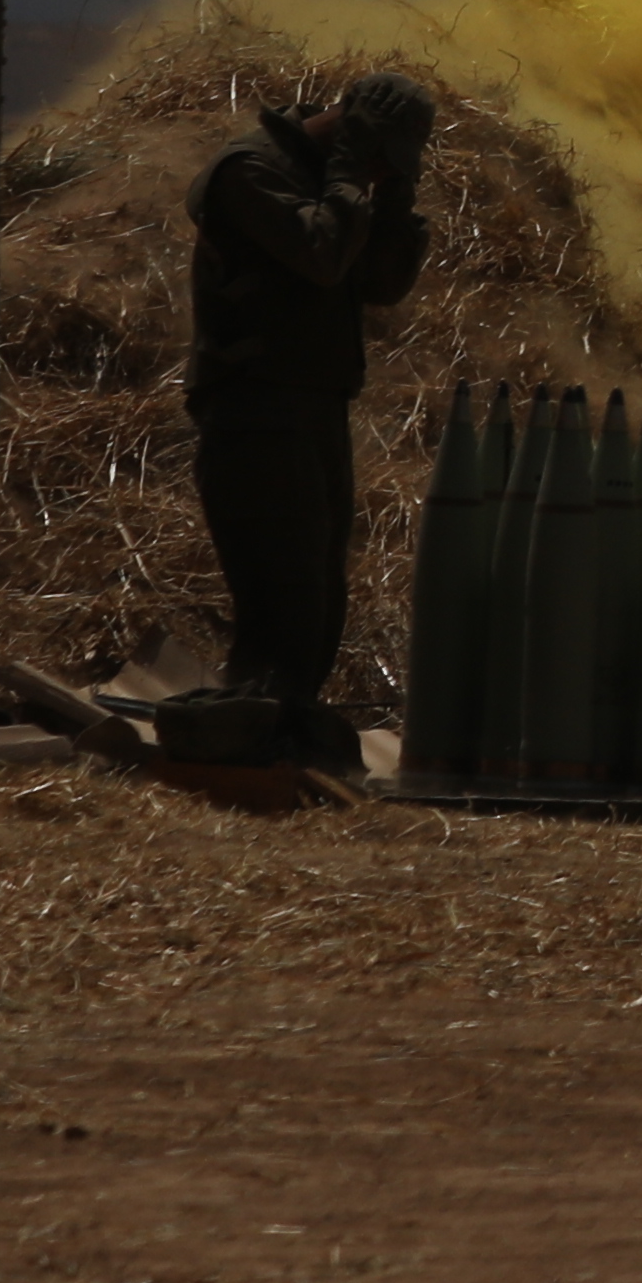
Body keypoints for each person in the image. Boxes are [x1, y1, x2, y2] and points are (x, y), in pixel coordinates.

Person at [187, 69, 434, 769]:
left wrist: (392, 202)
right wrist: (353, 174)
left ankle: (280, 746)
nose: (384, 170)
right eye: (379, 153)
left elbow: (381, 284)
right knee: (281, 604)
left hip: (315, 407)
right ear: (350, 130)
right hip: (255, 411)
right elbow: (322, 255)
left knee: (320, 604)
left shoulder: (339, 189)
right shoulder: (251, 172)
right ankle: (237, 752)